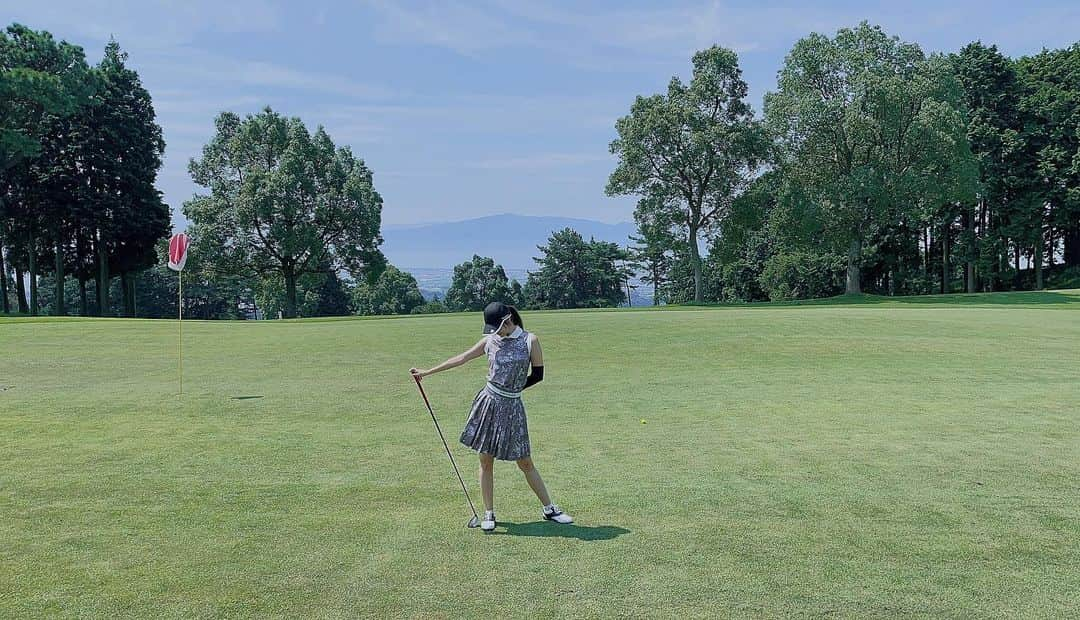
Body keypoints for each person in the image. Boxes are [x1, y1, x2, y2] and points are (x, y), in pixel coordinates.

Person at [410, 301, 573, 533]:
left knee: (525, 461)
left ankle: (549, 509)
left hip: (513, 407)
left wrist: (513, 390)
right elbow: (462, 358)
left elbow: (537, 375)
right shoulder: (490, 341)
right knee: (485, 460)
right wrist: (427, 372)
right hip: (488, 403)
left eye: (498, 327)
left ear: (508, 320)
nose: (495, 332)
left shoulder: (530, 340)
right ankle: (489, 513)